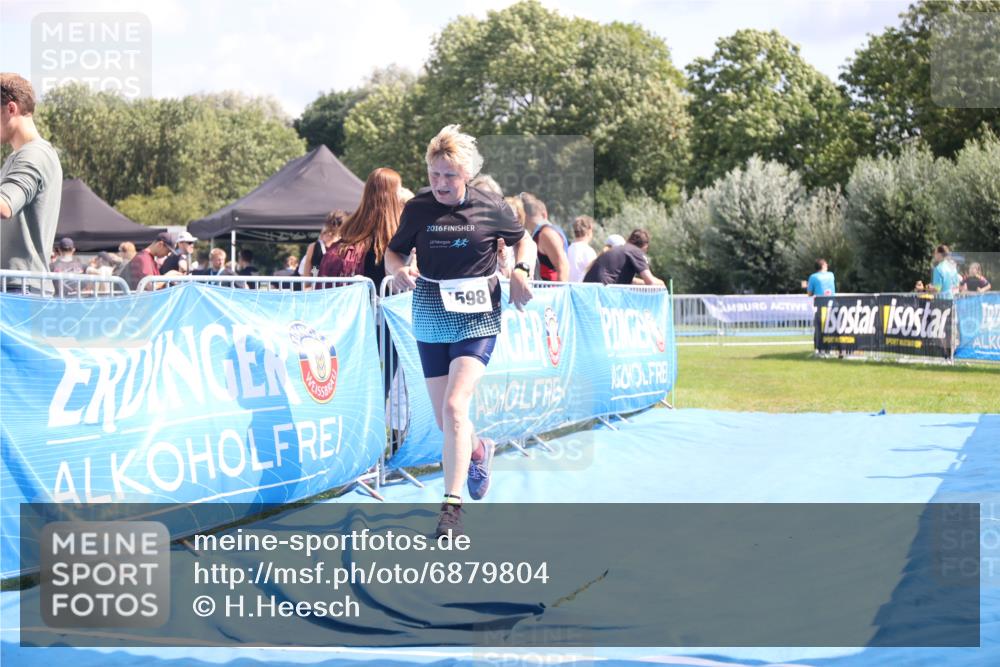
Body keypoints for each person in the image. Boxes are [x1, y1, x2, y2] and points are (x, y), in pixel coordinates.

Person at [384, 125, 534, 537]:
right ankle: (480, 448)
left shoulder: (491, 205)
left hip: (479, 314)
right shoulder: (417, 208)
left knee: (454, 407)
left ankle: (451, 507)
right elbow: (393, 250)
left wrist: (521, 270)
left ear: (466, 172)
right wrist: (397, 271)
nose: (441, 184)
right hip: (431, 309)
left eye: (449, 175)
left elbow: (526, 243)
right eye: (434, 175)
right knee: (444, 418)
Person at [0, 73, 63, 291]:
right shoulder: (20, 156)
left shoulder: (34, 155)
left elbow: (5, 205)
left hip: (21, 292)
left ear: (11, 109)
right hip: (17, 290)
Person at [583, 228, 665, 286]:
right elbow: (651, 282)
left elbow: (623, 279)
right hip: (603, 290)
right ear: (645, 247)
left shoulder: (623, 249)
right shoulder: (636, 251)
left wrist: (643, 282)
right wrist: (662, 283)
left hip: (589, 288)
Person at [520, 192, 569, 282]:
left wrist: (561, 293)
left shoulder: (546, 234)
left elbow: (563, 267)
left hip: (550, 291)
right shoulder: (541, 233)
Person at [300, 210, 345, 284]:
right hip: (329, 290)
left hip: (325, 290)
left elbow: (306, 278)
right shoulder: (314, 247)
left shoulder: (346, 246)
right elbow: (306, 278)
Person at [567, 215, 597, 282]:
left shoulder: (568, 249)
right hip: (582, 289)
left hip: (568, 288)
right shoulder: (589, 251)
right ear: (589, 230)